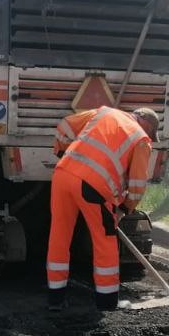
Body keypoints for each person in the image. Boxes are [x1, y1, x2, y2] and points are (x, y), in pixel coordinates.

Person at [47, 106, 159, 312]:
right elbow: (137, 186)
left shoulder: (104, 112)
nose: (150, 137)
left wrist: (64, 153)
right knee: (105, 241)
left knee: (59, 236)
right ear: (146, 123)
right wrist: (125, 208)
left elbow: (65, 126)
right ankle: (107, 302)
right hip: (93, 187)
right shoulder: (141, 139)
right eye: (152, 133)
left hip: (62, 175)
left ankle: (55, 298)